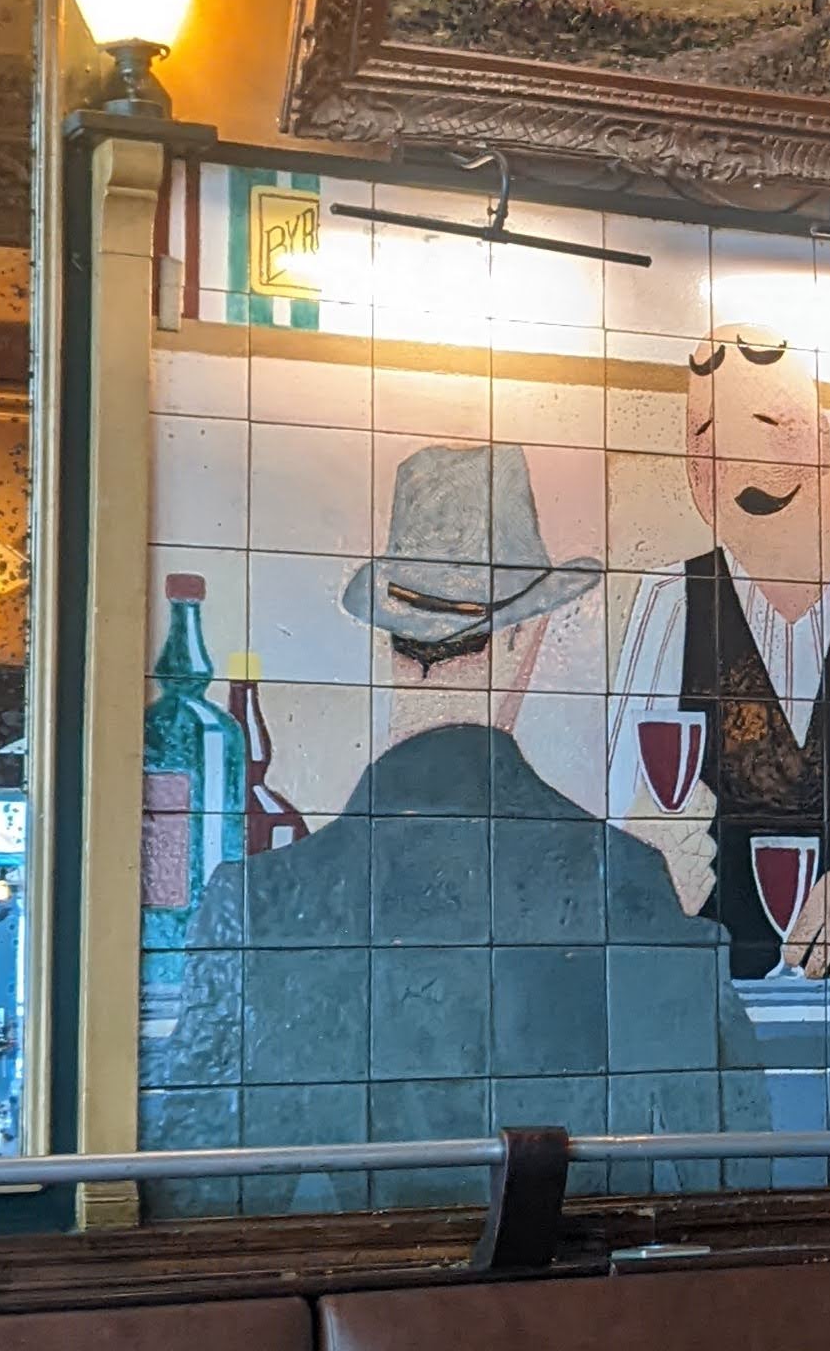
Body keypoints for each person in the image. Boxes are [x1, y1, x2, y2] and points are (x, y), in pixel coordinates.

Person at [144, 440, 762, 1157]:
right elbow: (718, 1147)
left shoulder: (254, 903)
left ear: (385, 638)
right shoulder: (627, 880)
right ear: (525, 637)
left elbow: (204, 1168)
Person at [610, 322, 830, 980]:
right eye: (705, 437)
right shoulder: (670, 602)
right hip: (729, 1002)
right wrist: (643, 868)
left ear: (824, 436)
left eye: (770, 425)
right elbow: (622, 832)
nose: (738, 464)